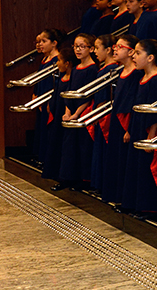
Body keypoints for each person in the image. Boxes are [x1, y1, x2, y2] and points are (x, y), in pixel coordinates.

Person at [121, 38, 157, 218]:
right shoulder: (142, 78)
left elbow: (156, 111)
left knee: (148, 169)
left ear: (150, 58)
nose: (134, 57)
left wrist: (152, 137)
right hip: (139, 127)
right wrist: (130, 130)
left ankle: (149, 207)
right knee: (137, 167)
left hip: (150, 131)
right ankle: (134, 203)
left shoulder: (156, 80)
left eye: (138, 53)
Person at [56, 34, 98, 190]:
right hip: (72, 111)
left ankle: (83, 180)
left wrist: (76, 114)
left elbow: (88, 94)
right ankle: (67, 178)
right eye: (75, 46)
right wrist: (68, 111)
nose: (78, 50)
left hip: (83, 111)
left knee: (82, 148)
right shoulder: (76, 68)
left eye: (82, 46)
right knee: (69, 147)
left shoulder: (92, 69)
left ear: (91, 49)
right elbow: (70, 91)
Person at [102, 34, 139, 205]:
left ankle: (126, 199)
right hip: (117, 118)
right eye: (115, 46)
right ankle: (115, 196)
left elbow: (133, 101)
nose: (115, 49)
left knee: (124, 159)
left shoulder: (135, 74)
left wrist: (129, 128)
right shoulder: (120, 71)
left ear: (131, 52)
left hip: (127, 120)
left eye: (120, 47)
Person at [42, 41, 77, 185]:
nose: (57, 64)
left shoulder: (73, 77)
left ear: (67, 63)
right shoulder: (61, 76)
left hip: (65, 114)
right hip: (57, 112)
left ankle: (64, 178)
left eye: (60, 61)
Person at [88, 34, 119, 194]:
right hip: (101, 111)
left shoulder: (111, 69)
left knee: (103, 149)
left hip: (104, 113)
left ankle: (104, 185)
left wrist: (97, 113)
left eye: (97, 48)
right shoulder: (104, 68)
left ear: (108, 50)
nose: (95, 52)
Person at [30, 28, 63, 166]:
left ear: (54, 43)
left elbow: (56, 82)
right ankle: (40, 155)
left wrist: (50, 100)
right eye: (39, 42)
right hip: (41, 97)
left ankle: (47, 159)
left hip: (49, 98)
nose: (40, 44)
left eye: (44, 41)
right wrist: (35, 94)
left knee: (48, 129)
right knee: (41, 128)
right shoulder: (44, 58)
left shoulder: (57, 60)